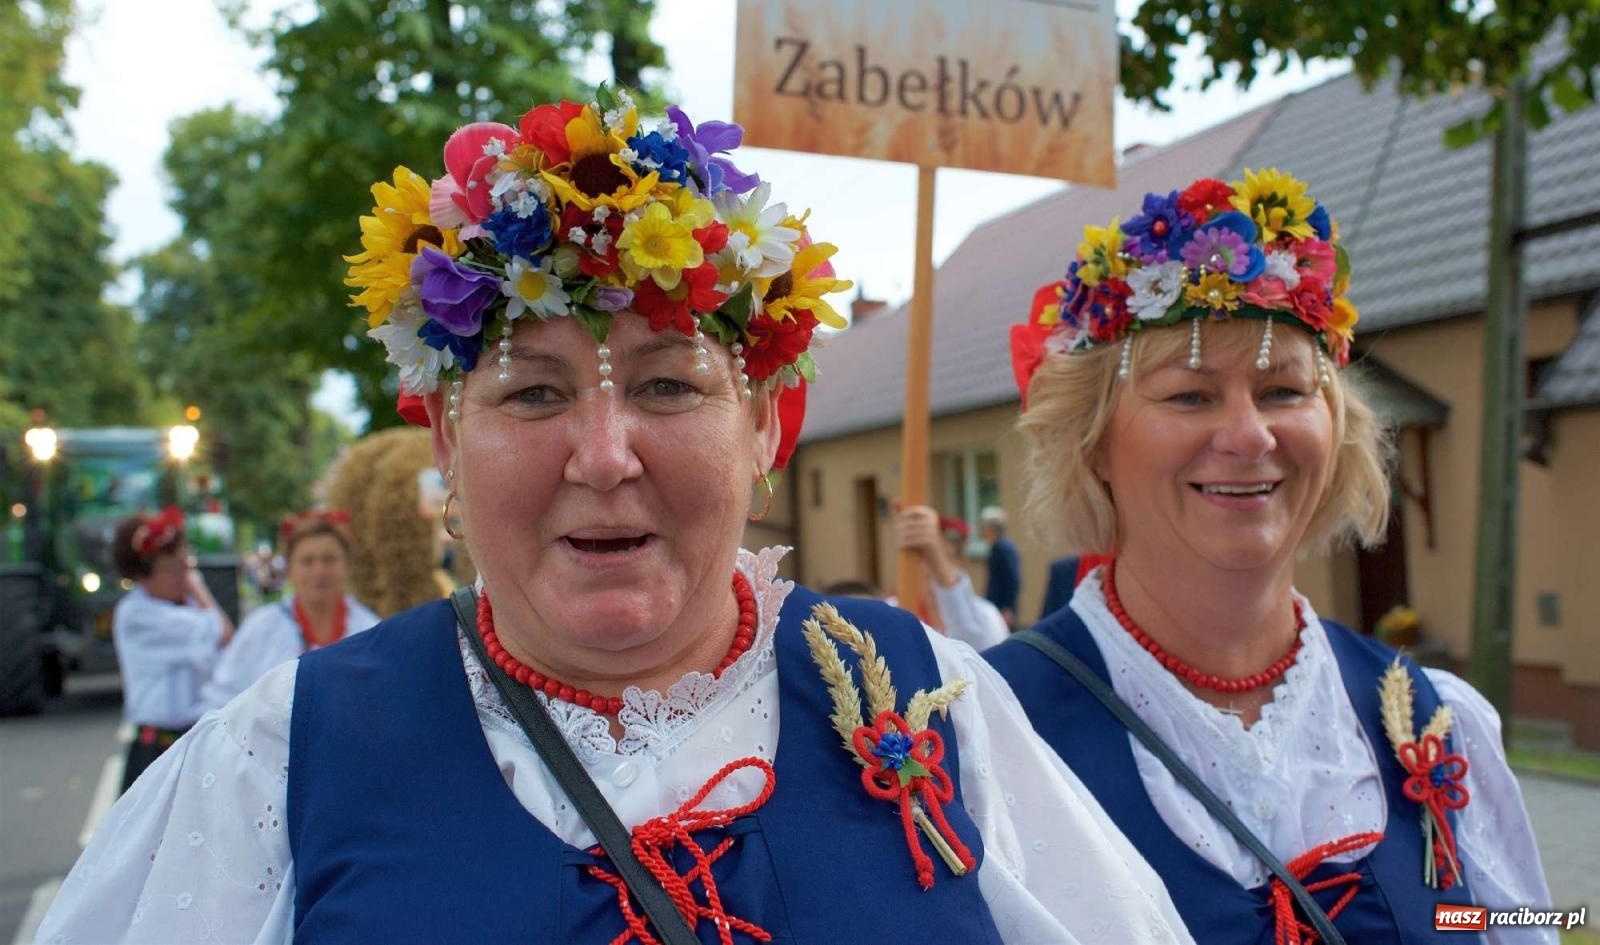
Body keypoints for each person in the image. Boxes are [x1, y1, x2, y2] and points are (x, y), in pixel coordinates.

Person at [41, 89, 1191, 944]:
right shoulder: (284, 758)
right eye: (532, 395)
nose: (602, 456)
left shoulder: (935, 701)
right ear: (447, 443)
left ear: (764, 428)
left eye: (669, 386)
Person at [985, 169, 1555, 942]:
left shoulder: (1439, 721)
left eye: (1283, 391)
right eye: (1190, 395)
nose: (1250, 436)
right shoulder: (993, 733)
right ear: (1092, 443)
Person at [199, 512, 380, 712]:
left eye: (329, 560)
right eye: (307, 561)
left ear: (347, 565)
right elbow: (221, 698)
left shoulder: (369, 632)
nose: (319, 571)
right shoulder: (262, 628)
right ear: (290, 568)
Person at [108, 507, 234, 792]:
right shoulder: (137, 614)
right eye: (170, 569)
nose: (181, 576)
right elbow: (223, 633)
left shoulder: (184, 606)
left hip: (196, 743)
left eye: (185, 565)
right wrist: (197, 586)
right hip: (158, 749)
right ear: (142, 576)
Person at [894, 504, 1011, 651]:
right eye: (926, 561)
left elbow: (976, 651)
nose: (931, 573)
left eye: (948, 560)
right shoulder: (895, 610)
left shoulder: (986, 615)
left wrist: (940, 566)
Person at [978, 506, 1021, 627]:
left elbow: (1012, 578)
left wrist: (1008, 607)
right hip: (997, 606)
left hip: (1001, 607)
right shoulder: (999, 547)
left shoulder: (1002, 549)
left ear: (991, 528)